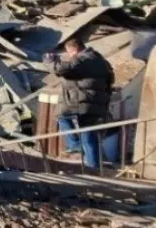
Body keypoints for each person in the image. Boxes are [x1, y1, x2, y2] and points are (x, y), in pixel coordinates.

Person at [43, 38, 115, 169]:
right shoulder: (100, 60)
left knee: (63, 117)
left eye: (69, 53)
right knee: (88, 134)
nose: (70, 56)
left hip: (85, 101)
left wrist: (49, 60)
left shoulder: (84, 58)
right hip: (97, 100)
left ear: (73, 49)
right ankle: (94, 166)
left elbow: (61, 69)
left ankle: (76, 146)